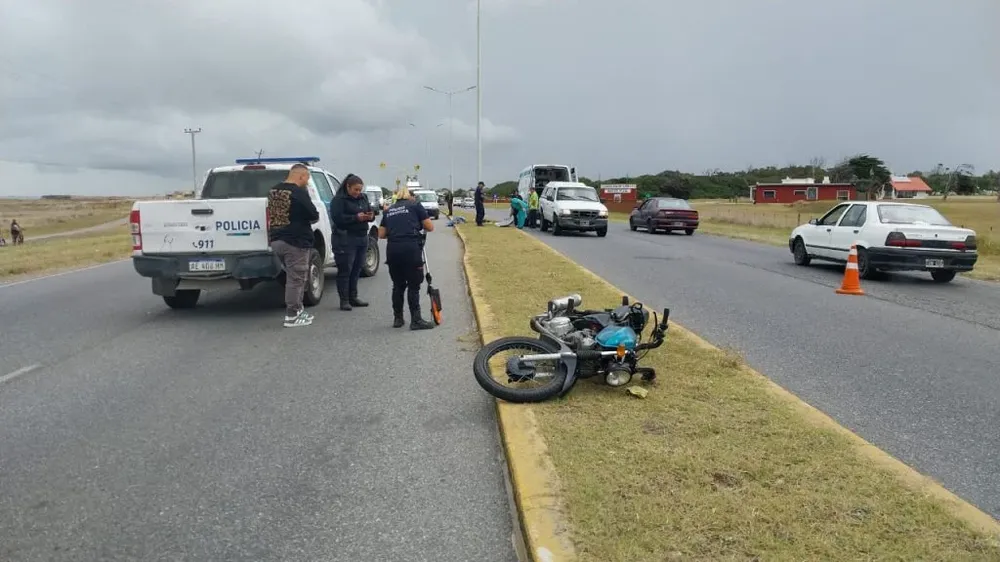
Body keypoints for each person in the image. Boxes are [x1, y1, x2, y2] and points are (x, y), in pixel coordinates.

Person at [266, 164, 320, 328]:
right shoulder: (298, 192)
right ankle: (293, 315)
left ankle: (298, 311)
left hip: (276, 239)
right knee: (296, 279)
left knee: (291, 277)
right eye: (307, 178)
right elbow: (313, 215)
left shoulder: (273, 191)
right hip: (296, 241)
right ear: (301, 176)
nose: (307, 182)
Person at [378, 185, 436, 330]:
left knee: (397, 285)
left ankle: (398, 318)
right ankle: (416, 320)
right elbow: (429, 227)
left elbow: (381, 234)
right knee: (413, 285)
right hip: (410, 249)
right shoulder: (415, 205)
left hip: (393, 250)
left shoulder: (389, 210)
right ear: (410, 196)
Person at [329, 174, 374, 311]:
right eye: (355, 190)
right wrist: (355, 218)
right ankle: (344, 300)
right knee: (345, 270)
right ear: (347, 187)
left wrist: (370, 216)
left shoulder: (363, 198)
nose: (358, 193)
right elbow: (337, 219)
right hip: (345, 238)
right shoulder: (339, 200)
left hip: (362, 236)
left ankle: (353, 297)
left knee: (357, 269)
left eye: (360, 190)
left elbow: (370, 211)